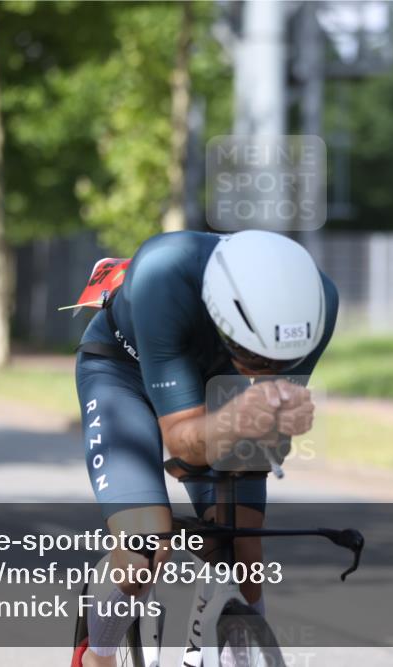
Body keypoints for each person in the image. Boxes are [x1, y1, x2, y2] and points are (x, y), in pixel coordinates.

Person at [72, 230, 338, 667]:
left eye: (278, 365)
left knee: (242, 552)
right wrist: (240, 418)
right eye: (252, 357)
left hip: (223, 391)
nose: (266, 373)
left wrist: (280, 426)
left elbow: (270, 446)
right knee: (144, 550)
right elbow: (184, 444)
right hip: (126, 375)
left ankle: (213, 650)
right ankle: (96, 655)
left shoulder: (318, 302)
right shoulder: (164, 272)